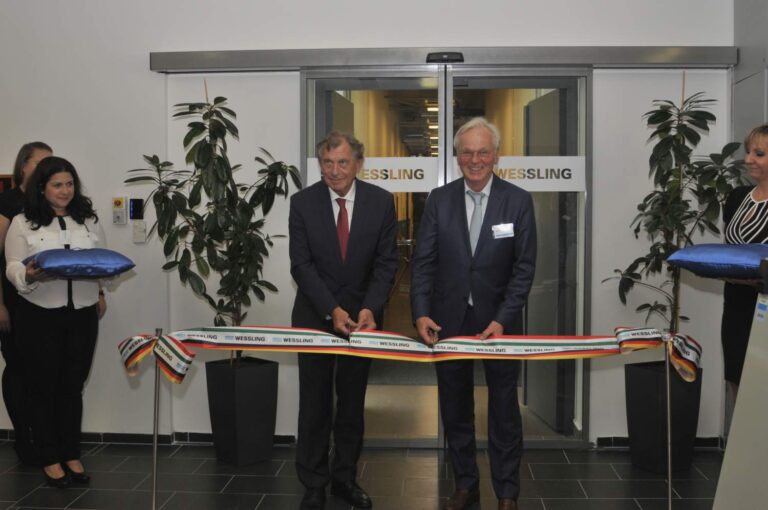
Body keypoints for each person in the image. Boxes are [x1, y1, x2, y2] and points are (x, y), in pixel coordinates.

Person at [411, 117, 537, 510]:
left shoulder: (518, 201)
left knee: (503, 409)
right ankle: (465, 483)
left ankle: (507, 492)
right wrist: (420, 313)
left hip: (500, 323)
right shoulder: (439, 200)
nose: (475, 159)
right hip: (447, 320)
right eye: (467, 152)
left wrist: (503, 317)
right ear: (457, 156)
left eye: (483, 152)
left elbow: (524, 269)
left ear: (496, 156)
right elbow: (423, 262)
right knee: (455, 408)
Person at [289, 131, 398, 510]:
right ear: (320, 164)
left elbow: (386, 263)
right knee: (314, 405)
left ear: (358, 164)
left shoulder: (381, 202)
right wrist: (332, 310)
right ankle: (313, 483)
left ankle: (345, 479)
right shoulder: (302, 203)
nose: (334, 171)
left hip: (363, 321)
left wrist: (370, 307)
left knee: (352, 404)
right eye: (327, 163)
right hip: (315, 317)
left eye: (342, 162)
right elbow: (301, 265)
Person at [5, 156, 106, 488]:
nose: (65, 191)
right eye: (57, 185)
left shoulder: (88, 219)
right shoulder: (23, 222)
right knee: (42, 388)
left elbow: (101, 259)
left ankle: (71, 454)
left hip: (83, 314)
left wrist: (101, 290)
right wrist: (28, 275)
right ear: (42, 188)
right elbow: (12, 265)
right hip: (39, 315)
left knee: (72, 387)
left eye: (69, 184)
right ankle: (50, 458)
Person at [0, 142, 53, 465]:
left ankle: (42, 437)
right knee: (18, 369)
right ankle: (23, 438)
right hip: (12, 299)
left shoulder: (46, 202)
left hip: (41, 300)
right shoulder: (8, 202)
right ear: (24, 166)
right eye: (41, 162)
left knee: (41, 371)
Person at [721, 124, 768, 407]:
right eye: (749, 152)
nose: (749, 159)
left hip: (766, 306)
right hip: (737, 305)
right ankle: (741, 436)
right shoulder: (737, 197)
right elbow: (729, 252)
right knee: (737, 377)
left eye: (759, 153)